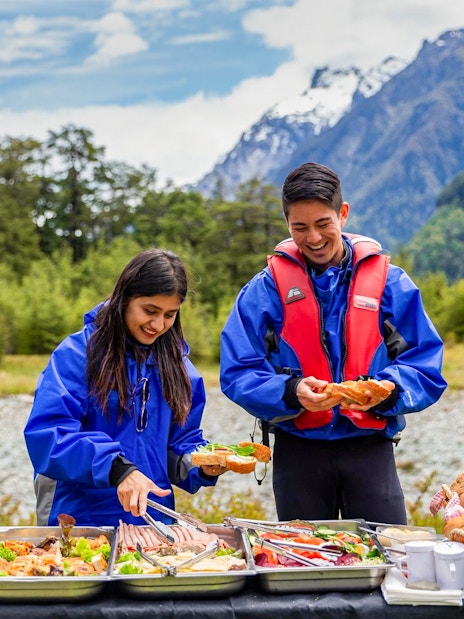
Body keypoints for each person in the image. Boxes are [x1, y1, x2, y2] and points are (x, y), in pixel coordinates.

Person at [220, 161, 447, 524]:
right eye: (300, 227)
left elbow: (425, 363)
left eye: (323, 223)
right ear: (287, 225)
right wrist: (292, 391)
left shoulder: (391, 283)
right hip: (298, 452)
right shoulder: (265, 289)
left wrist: (390, 390)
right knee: (304, 566)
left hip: (370, 448)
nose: (313, 238)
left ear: (343, 214)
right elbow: (237, 371)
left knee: (386, 557)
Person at [24, 248, 226, 527]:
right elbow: (48, 438)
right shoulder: (76, 355)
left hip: (152, 523)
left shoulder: (180, 369)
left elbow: (179, 447)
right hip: (78, 521)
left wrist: (202, 463)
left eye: (170, 315)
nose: (158, 325)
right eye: (150, 311)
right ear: (125, 298)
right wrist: (116, 467)